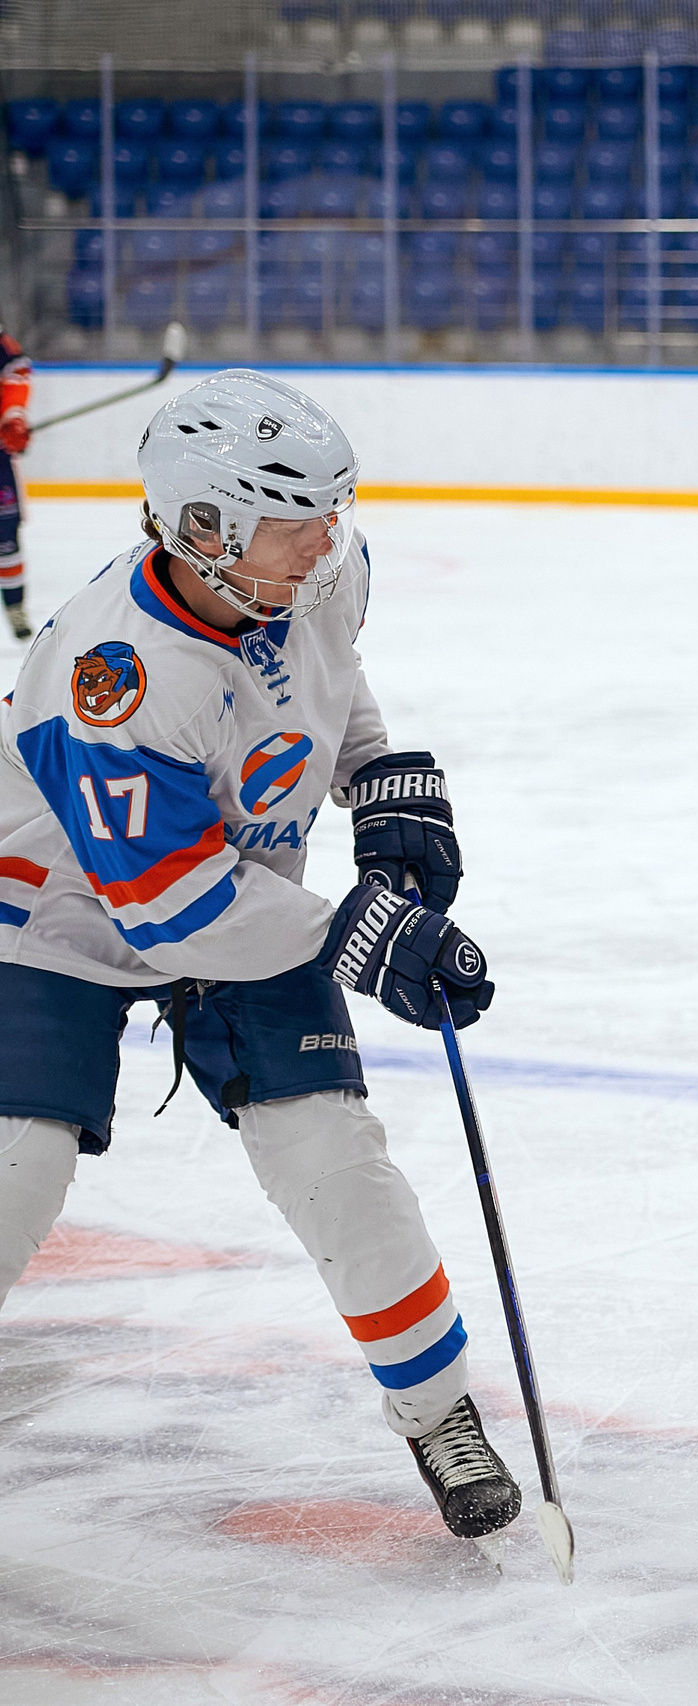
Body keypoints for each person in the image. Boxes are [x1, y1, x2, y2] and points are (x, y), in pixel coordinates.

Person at [0, 369, 518, 1551]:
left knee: (338, 1159)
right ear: (204, 528)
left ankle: (439, 1412)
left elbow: (330, 674)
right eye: (296, 520)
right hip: (57, 910)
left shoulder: (321, 566)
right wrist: (363, 936)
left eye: (333, 509)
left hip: (243, 889)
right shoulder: (114, 678)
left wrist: (376, 775)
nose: (328, 538)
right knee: (10, 1169)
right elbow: (173, 911)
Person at [2, 320, 31, 640]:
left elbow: (15, 378)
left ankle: (14, 607)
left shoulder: (3, 347)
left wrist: (13, 418)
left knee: (6, 537)